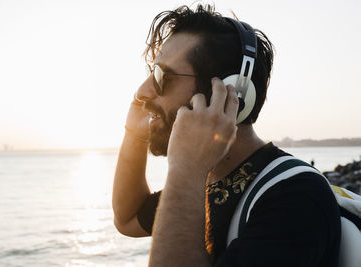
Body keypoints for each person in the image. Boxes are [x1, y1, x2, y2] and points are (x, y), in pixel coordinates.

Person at [112, 4, 341, 267]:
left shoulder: (296, 199)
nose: (141, 91)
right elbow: (127, 219)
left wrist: (186, 168)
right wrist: (135, 134)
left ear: (232, 92)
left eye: (164, 76)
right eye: (151, 73)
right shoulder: (210, 182)